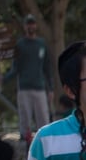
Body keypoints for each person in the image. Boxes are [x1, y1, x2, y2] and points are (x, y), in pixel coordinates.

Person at [4, 14, 54, 144]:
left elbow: (47, 68)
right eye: (28, 24)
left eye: (32, 23)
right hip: (24, 86)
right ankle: (24, 139)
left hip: (40, 87)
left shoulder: (42, 44)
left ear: (35, 25)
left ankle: (45, 140)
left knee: (43, 116)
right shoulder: (20, 44)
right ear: (25, 26)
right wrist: (3, 79)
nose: (30, 26)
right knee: (25, 116)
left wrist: (51, 89)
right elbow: (15, 68)